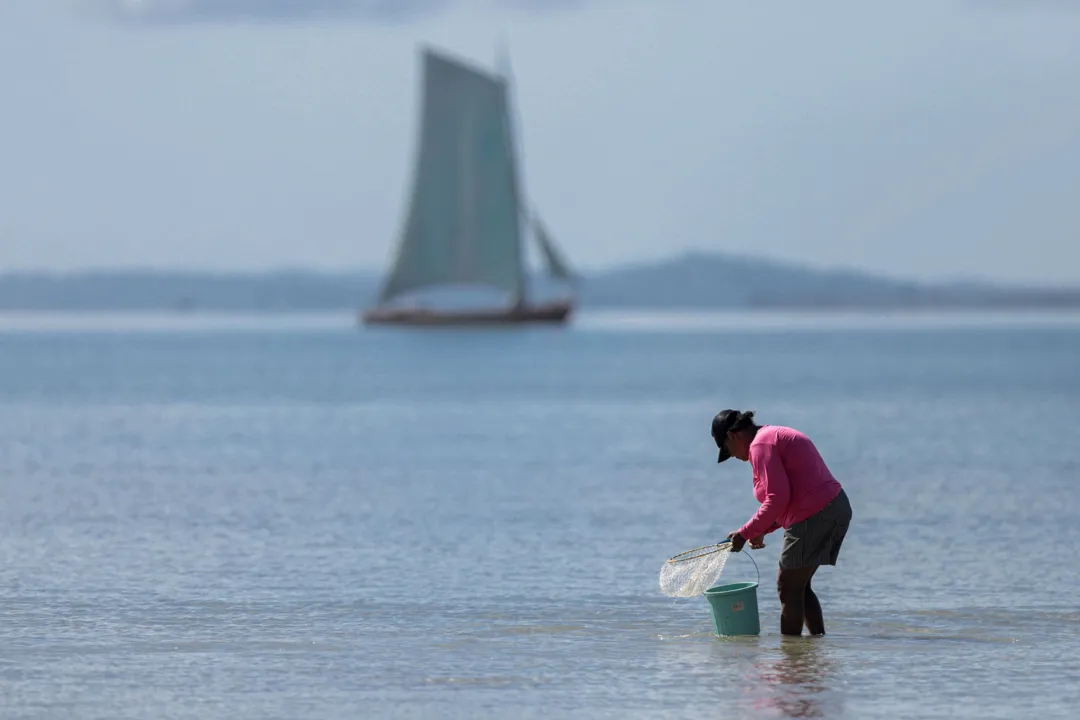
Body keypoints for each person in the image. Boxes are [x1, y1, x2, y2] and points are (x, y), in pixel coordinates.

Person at [711, 409, 852, 637]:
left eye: (726, 450)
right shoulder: (768, 438)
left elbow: (777, 497)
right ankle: (814, 648)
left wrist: (745, 533)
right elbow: (792, 495)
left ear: (732, 436)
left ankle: (790, 661)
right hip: (833, 507)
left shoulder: (761, 445)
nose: (733, 456)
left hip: (817, 513)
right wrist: (763, 529)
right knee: (799, 587)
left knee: (787, 587)